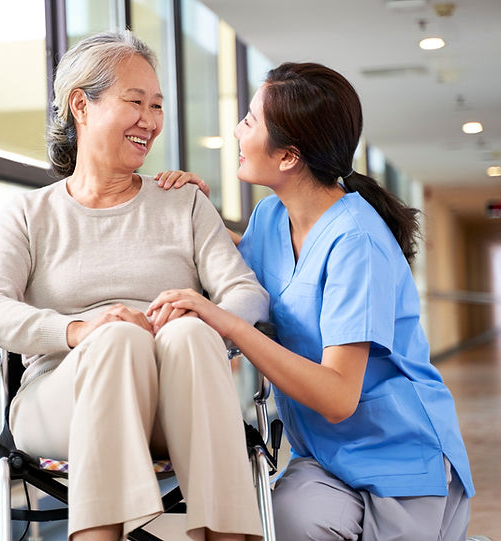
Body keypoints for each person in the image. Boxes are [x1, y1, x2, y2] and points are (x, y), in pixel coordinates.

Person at [148, 62, 474, 541]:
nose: (238, 129)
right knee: (288, 517)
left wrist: (229, 324)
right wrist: (193, 211)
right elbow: (234, 266)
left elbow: (338, 396)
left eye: (250, 121)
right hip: (325, 458)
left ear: (288, 157)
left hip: (401, 461)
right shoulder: (270, 216)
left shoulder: (356, 241)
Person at [0, 31, 269, 541]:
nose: (150, 121)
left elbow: (247, 292)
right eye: (135, 102)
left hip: (174, 402)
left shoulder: (184, 202)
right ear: (81, 105)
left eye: (157, 106)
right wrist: (81, 330)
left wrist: (197, 314)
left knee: (192, 334)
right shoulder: (29, 213)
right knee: (117, 338)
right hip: (63, 400)